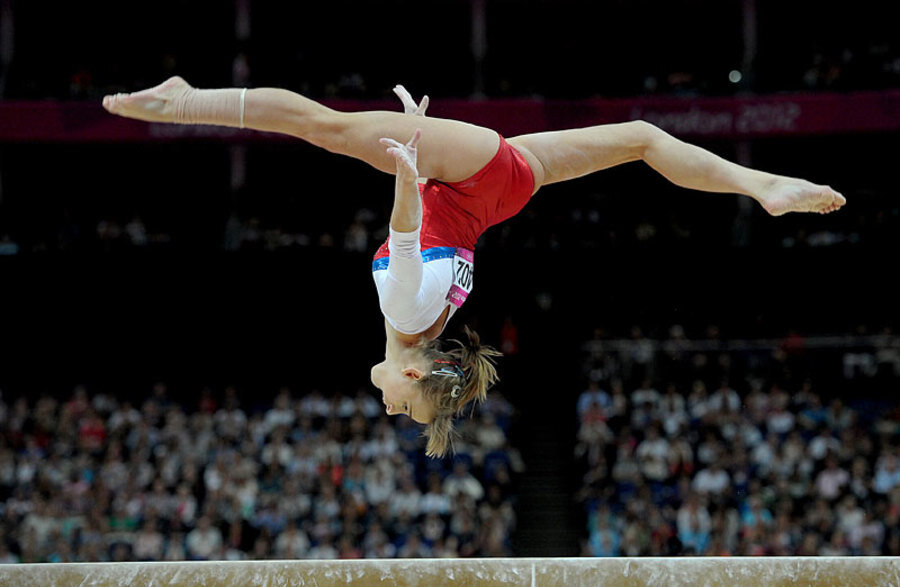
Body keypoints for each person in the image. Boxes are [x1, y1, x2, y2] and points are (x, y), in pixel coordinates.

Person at [102, 77, 846, 456]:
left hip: (500, 191)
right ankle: (184, 100)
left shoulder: (435, 315)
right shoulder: (404, 319)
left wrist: (423, 152)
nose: (390, 406)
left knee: (644, 138)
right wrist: (407, 161)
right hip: (471, 178)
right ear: (418, 373)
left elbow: (435, 235)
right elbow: (403, 228)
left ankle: (762, 187)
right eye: (405, 406)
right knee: (323, 128)